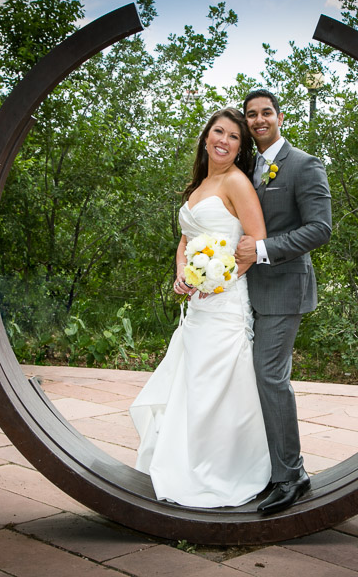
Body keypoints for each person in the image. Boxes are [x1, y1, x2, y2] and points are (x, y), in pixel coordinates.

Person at [129, 107, 272, 508]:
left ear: (240, 148)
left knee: (216, 384)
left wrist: (218, 280)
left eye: (234, 137)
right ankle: (184, 462)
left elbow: (255, 242)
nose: (224, 141)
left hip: (225, 301)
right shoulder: (198, 185)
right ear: (206, 136)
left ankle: (223, 469)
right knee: (192, 383)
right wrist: (183, 273)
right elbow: (185, 239)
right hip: (197, 304)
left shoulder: (237, 182)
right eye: (218, 132)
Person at [235, 89, 332, 514]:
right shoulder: (246, 166)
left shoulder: (304, 164)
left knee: (270, 377)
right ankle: (266, 469)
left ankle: (292, 476)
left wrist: (262, 249)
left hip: (284, 288)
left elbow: (320, 229)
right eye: (251, 114)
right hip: (244, 291)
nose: (259, 120)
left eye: (266, 113)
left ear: (279, 116)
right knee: (250, 378)